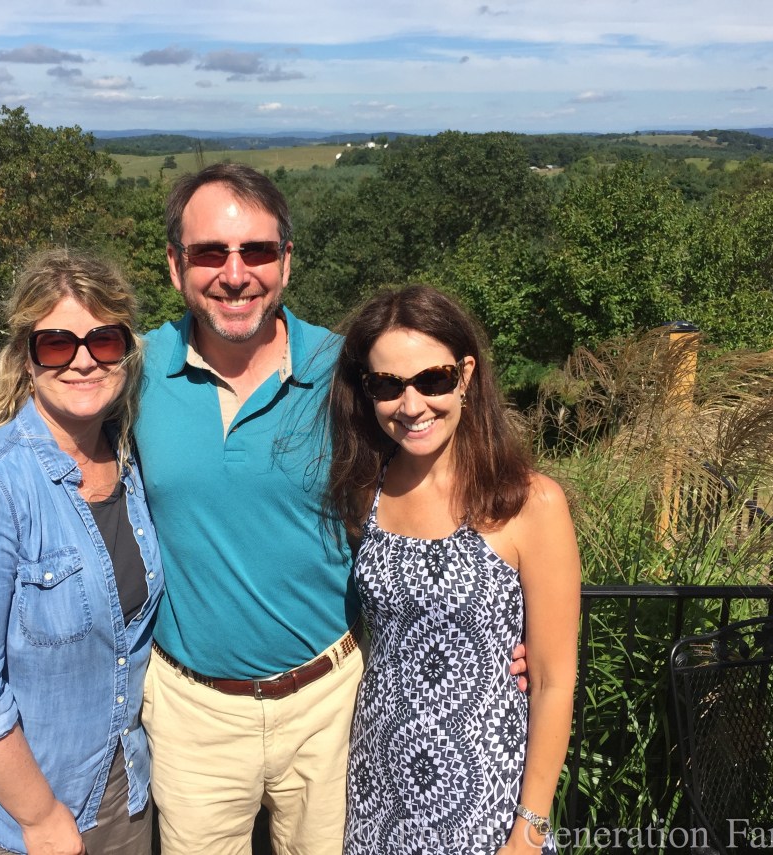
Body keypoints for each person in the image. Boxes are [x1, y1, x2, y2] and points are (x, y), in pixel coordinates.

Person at [134, 164, 527, 854]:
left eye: (257, 251)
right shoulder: (133, 370)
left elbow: (442, 463)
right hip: (192, 711)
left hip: (330, 703)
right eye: (210, 253)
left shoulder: (346, 372)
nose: (235, 274)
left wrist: (496, 633)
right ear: (175, 265)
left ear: (286, 261)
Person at [0, 249, 164, 855]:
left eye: (104, 340)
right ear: (27, 357)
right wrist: (42, 818)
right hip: (9, 816)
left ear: (126, 351)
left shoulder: (129, 465)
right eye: (56, 344)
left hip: (119, 791)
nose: (83, 360)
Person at [326, 284, 580, 855]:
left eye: (432, 380)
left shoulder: (529, 503)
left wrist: (530, 830)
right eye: (387, 385)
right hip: (377, 784)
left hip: (485, 794)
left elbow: (553, 681)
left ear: (466, 375)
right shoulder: (364, 491)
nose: (412, 404)